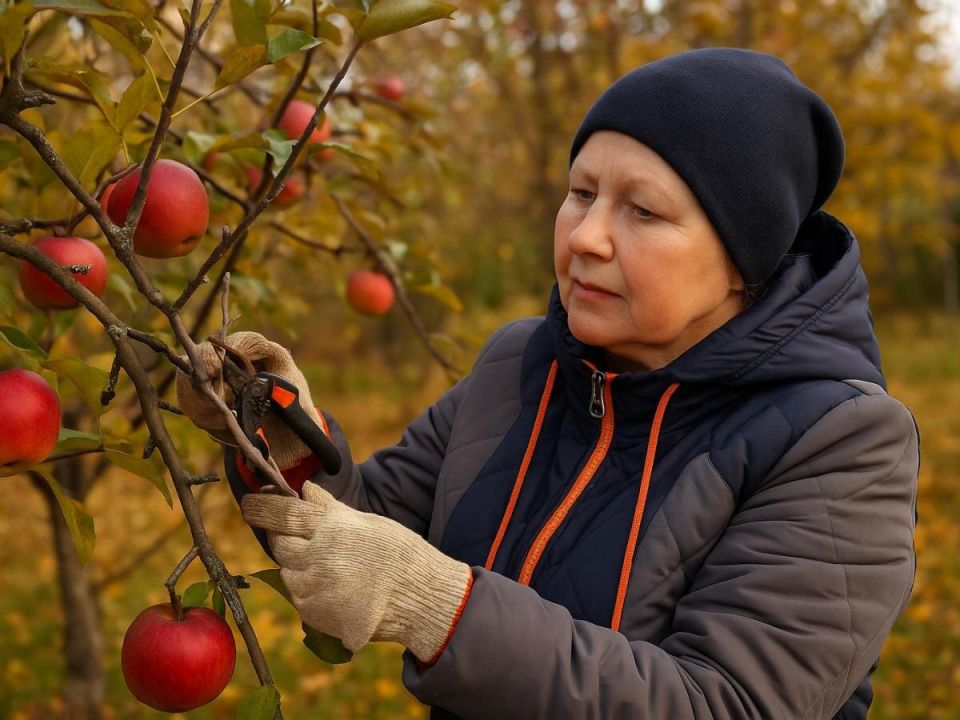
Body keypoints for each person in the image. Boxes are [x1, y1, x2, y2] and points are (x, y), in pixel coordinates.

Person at [177, 48, 919, 719]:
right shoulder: (521, 365)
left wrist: (441, 610)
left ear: (740, 262)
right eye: (582, 193)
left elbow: (725, 702)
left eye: (643, 211)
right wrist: (278, 434)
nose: (588, 236)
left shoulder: (839, 440)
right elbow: (371, 533)